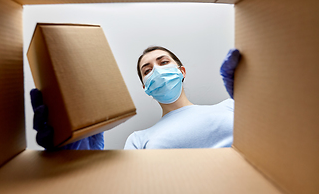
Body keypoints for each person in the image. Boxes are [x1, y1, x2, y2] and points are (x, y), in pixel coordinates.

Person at [31, 47, 241, 150]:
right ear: (145, 87)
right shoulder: (138, 139)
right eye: (147, 70)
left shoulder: (229, 106)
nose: (156, 71)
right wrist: (77, 165)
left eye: (164, 62)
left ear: (182, 71)